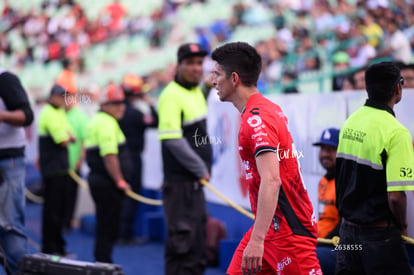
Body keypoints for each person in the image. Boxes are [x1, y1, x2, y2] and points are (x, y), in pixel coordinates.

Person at [211, 41, 321, 275]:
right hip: (269, 227)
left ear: (234, 78)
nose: (213, 81)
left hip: (289, 233)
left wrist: (258, 239)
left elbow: (272, 180)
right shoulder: (258, 111)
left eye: (217, 74)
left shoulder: (257, 118)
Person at [335, 61, 414, 274]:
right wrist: (402, 227)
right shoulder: (397, 133)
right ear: (398, 88)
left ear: (367, 88)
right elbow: (396, 197)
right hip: (380, 238)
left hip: (347, 234)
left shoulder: (350, 122)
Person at [157, 43, 212, 275]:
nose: (196, 68)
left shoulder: (196, 91)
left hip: (195, 185)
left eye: (199, 63)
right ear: (178, 66)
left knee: (198, 245)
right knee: (183, 247)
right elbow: (172, 140)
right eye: (189, 63)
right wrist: (200, 169)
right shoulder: (170, 95)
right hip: (181, 186)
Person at [84, 83, 131, 263]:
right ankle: (103, 265)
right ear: (104, 105)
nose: (121, 106)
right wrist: (120, 181)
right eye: (115, 103)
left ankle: (102, 263)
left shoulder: (99, 120)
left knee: (105, 226)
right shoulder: (107, 123)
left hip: (101, 181)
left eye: (122, 102)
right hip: (108, 184)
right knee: (107, 227)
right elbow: (110, 155)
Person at [118, 74, 158, 244]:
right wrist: (149, 103)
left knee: (120, 195)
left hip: (118, 155)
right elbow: (156, 121)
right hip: (133, 157)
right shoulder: (136, 113)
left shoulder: (116, 113)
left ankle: (118, 233)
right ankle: (125, 235)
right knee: (132, 194)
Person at [0, 69, 34, 273]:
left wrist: (2, 115)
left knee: (10, 228)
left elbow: (26, 115)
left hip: (7, 160)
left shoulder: (5, 79)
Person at [38, 84, 75, 256]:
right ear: (52, 96)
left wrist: (68, 136)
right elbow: (64, 140)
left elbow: (71, 136)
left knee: (60, 210)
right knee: (53, 210)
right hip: (53, 169)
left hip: (60, 168)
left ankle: (58, 246)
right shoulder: (48, 113)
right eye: (60, 96)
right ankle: (50, 247)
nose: (62, 99)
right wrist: (67, 137)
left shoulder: (59, 112)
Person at [61, 81, 89, 232]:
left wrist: (80, 159)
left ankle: (68, 221)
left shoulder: (80, 116)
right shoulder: (61, 114)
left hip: (73, 163)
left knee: (71, 195)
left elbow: (84, 139)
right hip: (61, 164)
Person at [312, 127, 340, 275]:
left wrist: (320, 242)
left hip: (338, 246)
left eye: (331, 150)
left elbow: (344, 226)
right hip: (320, 243)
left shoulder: (344, 182)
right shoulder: (323, 181)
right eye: (323, 149)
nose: (325, 154)